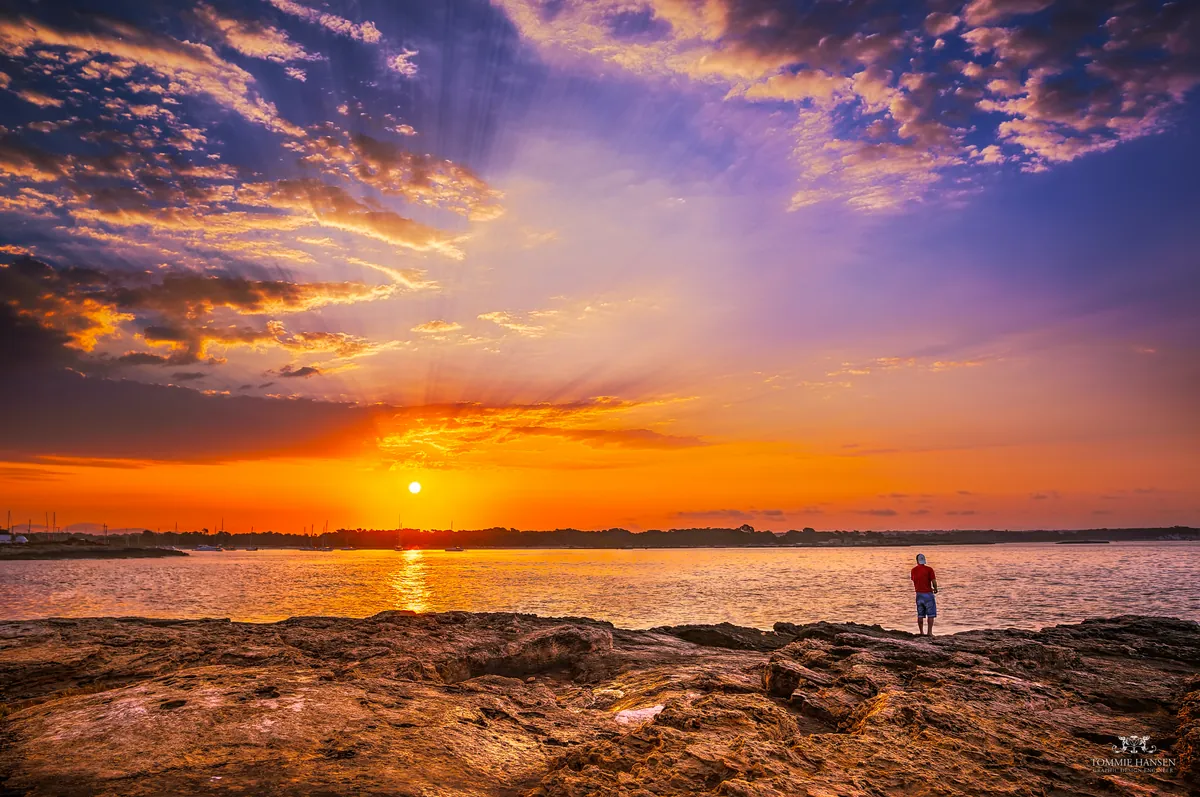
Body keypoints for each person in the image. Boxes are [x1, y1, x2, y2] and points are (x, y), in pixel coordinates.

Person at [910, 553, 938, 636]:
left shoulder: (913, 570)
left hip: (919, 594)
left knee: (920, 614)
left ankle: (921, 632)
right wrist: (935, 588)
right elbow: (933, 581)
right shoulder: (929, 569)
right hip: (928, 594)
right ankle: (929, 633)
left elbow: (915, 580)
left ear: (917, 560)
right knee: (931, 614)